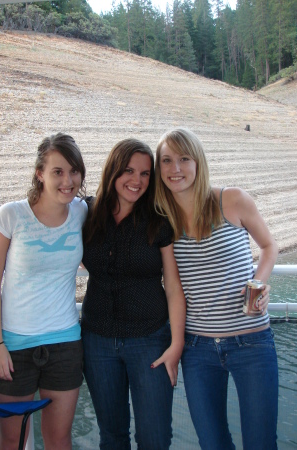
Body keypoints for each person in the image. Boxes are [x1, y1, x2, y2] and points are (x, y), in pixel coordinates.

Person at [155, 127, 279, 450]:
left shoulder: (232, 200)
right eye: (166, 161)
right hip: (197, 350)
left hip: (251, 341)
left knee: (261, 444)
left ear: (198, 161)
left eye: (184, 158)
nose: (175, 169)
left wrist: (260, 281)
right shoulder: (162, 218)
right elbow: (174, 288)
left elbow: (269, 246)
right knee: (212, 444)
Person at [0, 133, 87, 450]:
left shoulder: (82, 212)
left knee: (58, 438)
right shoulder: (11, 216)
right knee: (12, 439)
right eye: (58, 171)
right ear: (40, 173)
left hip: (65, 343)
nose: (67, 181)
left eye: (74, 171)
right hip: (13, 346)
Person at [81, 138, 186, 450]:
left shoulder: (158, 220)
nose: (137, 181)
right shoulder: (86, 214)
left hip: (151, 342)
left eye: (145, 174)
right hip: (96, 341)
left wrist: (176, 344)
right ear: (113, 170)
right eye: (129, 171)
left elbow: (174, 288)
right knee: (112, 437)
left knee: (154, 439)